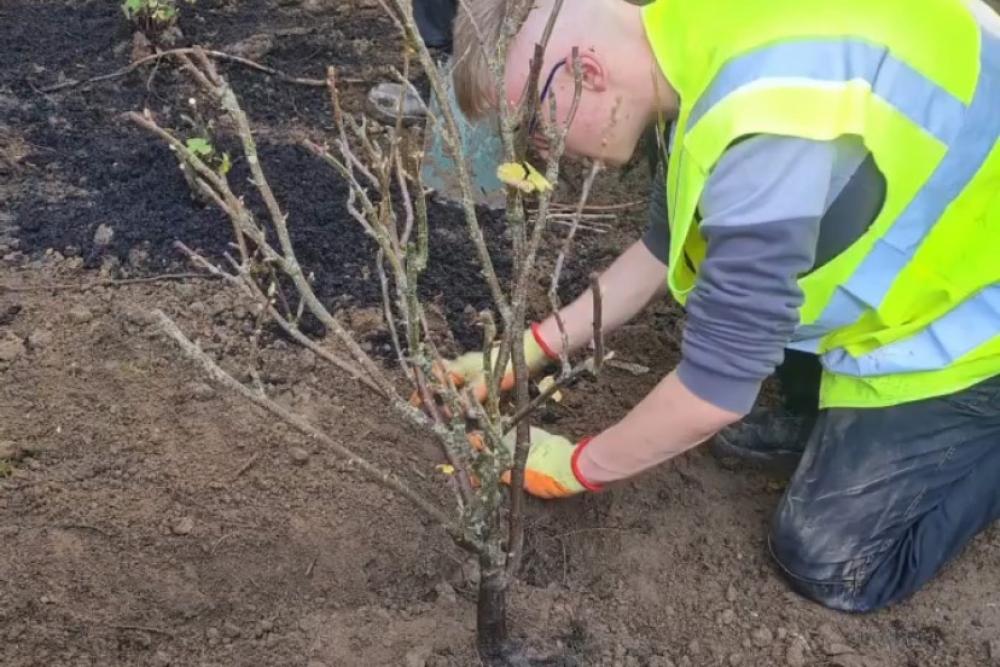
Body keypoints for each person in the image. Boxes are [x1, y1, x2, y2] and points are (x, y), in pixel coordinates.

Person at [441, 0, 1000, 614]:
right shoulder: (694, 38)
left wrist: (577, 466)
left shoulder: (770, 124)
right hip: (938, 249)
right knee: (756, 307)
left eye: (535, 126)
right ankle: (826, 412)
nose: (542, 153)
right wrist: (530, 349)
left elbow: (717, 388)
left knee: (826, 558)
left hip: (973, 319)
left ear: (585, 72)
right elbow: (663, 245)